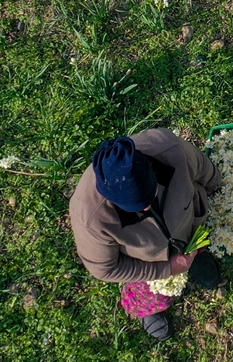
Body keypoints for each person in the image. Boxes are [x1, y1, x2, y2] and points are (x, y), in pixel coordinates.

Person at [69, 130, 223, 341]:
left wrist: (214, 185)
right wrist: (167, 268)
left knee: (194, 238)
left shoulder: (169, 148)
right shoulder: (89, 216)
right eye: (138, 208)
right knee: (149, 288)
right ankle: (148, 305)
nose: (150, 206)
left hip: (189, 226)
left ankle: (196, 258)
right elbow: (105, 269)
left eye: (151, 194)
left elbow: (203, 167)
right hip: (149, 261)